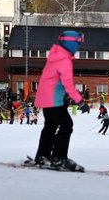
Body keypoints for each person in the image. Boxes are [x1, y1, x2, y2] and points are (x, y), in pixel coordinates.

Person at [29, 30, 86, 171]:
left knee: (50, 126)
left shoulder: (55, 56)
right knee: (66, 125)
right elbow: (68, 84)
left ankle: (42, 156)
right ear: (70, 44)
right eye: (77, 44)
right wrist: (80, 102)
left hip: (45, 99)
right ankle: (59, 158)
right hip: (53, 100)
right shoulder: (64, 60)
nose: (78, 48)